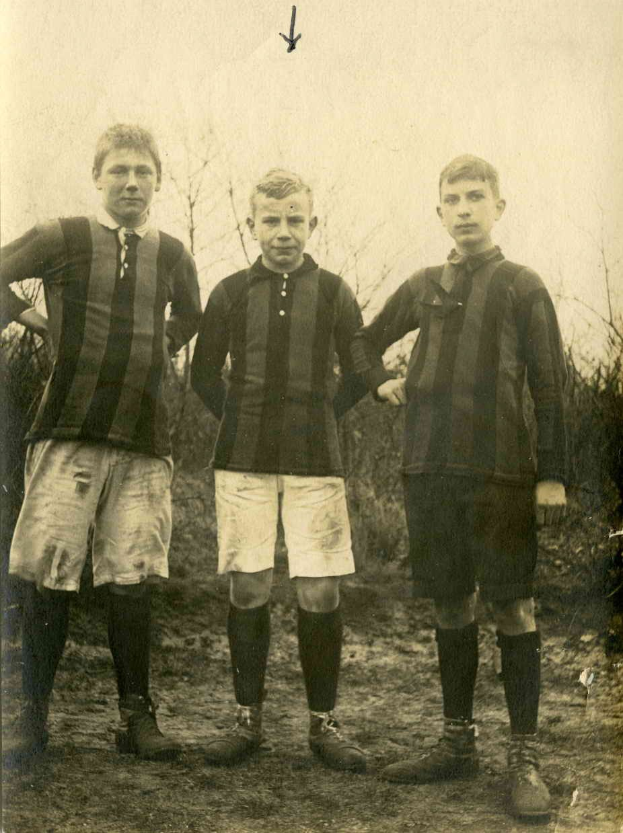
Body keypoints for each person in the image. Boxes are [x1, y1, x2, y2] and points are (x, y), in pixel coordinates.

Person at [352, 155, 567, 819]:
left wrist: (553, 474)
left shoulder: (522, 284)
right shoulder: (421, 283)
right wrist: (375, 380)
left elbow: (550, 385)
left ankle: (523, 756)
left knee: (511, 607)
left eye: (477, 196)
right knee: (448, 604)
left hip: (502, 473)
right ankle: (456, 743)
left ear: (499, 205)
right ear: (438, 210)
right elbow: (363, 340)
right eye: (453, 197)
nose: (465, 208)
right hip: (429, 470)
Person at [1, 124, 202, 765]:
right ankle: (33, 717)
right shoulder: (63, 236)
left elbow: (191, 315)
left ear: (158, 182)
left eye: (143, 172)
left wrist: (155, 348)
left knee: (131, 578)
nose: (131, 183)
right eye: (119, 171)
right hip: (67, 430)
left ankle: (135, 717)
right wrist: (33, 318)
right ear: (98, 177)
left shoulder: (170, 252)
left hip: (143, 441)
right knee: (48, 575)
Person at [191, 169, 367, 772]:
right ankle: (248, 722)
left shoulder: (337, 291)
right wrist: (245, 420)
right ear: (252, 225)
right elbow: (202, 375)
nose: (283, 232)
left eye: (295, 219)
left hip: (317, 462)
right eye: (271, 219)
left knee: (320, 590)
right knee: (249, 585)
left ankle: (323, 725)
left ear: (312, 224)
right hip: (242, 463)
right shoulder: (229, 292)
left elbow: (359, 373)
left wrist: (318, 416)